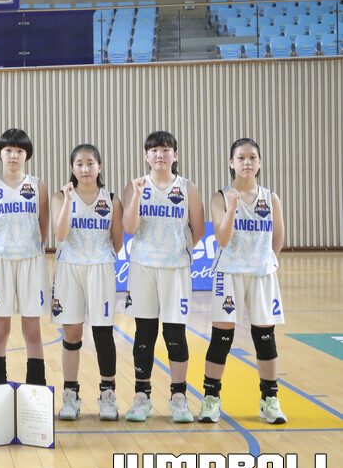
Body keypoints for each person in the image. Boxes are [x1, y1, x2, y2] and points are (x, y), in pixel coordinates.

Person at [198, 138, 287, 425]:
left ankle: (269, 400)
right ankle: (211, 399)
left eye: (252, 157)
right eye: (241, 157)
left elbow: (277, 239)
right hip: (229, 272)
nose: (247, 162)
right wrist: (233, 207)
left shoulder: (271, 198)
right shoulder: (221, 197)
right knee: (221, 337)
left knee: (265, 337)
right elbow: (222, 239)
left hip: (261, 274)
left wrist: (263, 262)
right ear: (231, 163)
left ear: (259, 163)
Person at [122, 130, 205, 423]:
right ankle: (141, 396)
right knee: (144, 334)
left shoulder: (187, 187)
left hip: (175, 270)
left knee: (175, 335)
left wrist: (177, 252)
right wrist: (137, 197)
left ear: (175, 155)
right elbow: (129, 228)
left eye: (166, 149)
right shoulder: (135, 186)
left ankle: (178, 396)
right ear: (146, 155)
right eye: (154, 150)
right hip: (143, 268)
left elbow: (198, 229)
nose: (160, 154)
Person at [51, 144, 124, 421]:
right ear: (72, 168)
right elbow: (59, 234)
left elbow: (117, 241)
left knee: (103, 334)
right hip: (69, 268)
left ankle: (108, 395)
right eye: (79, 164)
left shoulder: (112, 199)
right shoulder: (61, 197)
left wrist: (98, 259)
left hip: (100, 268)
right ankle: (70, 395)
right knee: (71, 335)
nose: (85, 168)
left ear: (99, 167)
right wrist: (69, 201)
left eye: (90, 163)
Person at [0, 128, 51, 387]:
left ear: (26, 155)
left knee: (32, 330)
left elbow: (44, 225)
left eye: (19, 151)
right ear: (0, 153)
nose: (13, 155)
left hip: (31, 262)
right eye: (8, 150)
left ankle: (36, 388)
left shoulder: (37, 185)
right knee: (0, 330)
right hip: (1, 263)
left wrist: (33, 248)